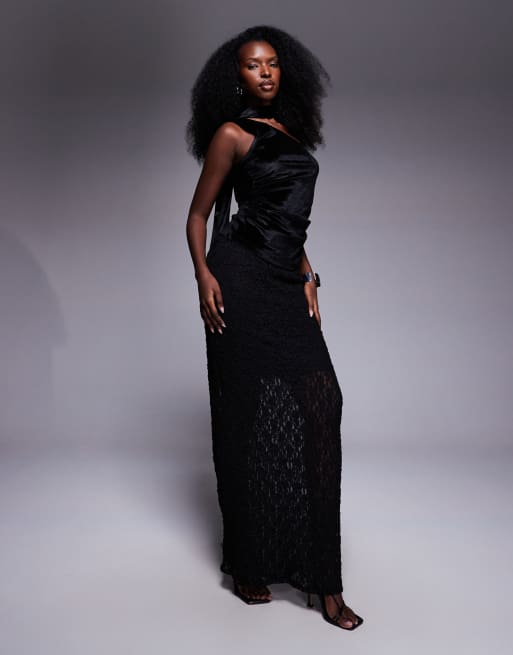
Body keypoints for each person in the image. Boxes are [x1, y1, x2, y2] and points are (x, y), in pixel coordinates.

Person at [185, 25, 363, 630]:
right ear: (235, 77)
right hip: (239, 280)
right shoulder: (231, 135)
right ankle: (249, 562)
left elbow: (286, 221)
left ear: (286, 73)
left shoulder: (290, 133)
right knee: (246, 415)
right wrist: (204, 276)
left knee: (323, 401)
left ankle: (325, 579)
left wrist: (308, 273)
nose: (264, 72)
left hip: (285, 283)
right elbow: (198, 214)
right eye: (252, 65)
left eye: (272, 64)